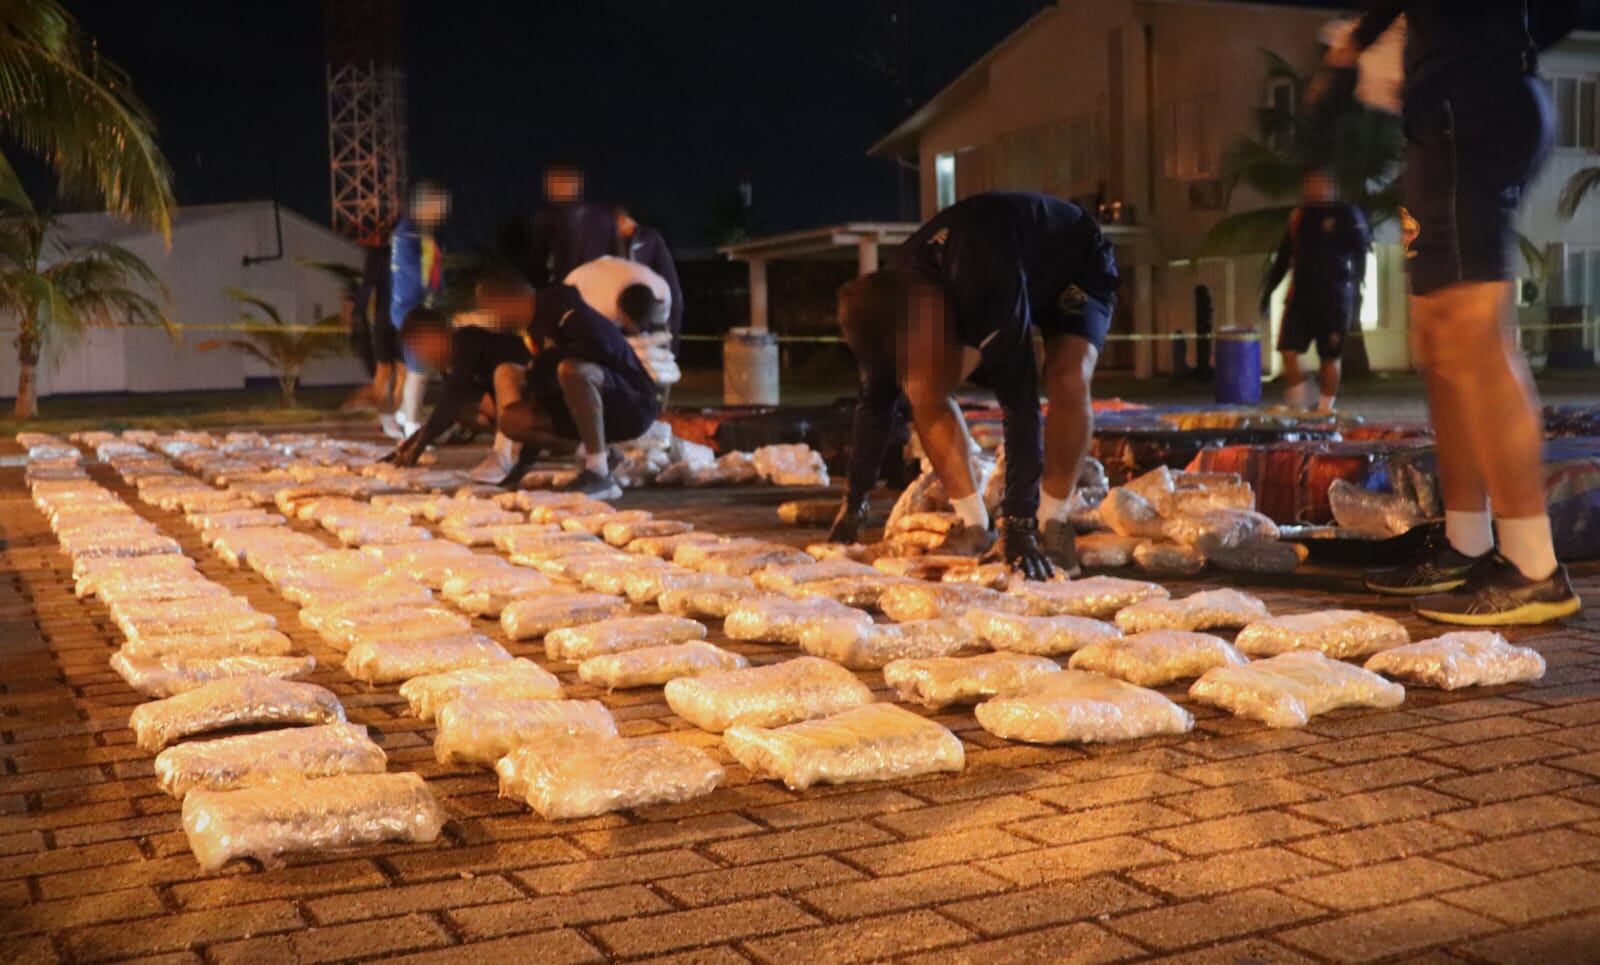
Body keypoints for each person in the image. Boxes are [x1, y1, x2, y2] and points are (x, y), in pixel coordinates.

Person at [1336, 1, 1582, 624]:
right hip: (1447, 108)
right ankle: (1466, 542)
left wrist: (1488, 47)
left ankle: (1532, 567)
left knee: (1472, 334)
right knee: (1438, 341)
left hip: (1470, 107)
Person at [830, 191, 1120, 580]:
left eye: (922, 344)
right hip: (985, 281)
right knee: (921, 387)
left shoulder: (986, 279)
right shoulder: (889, 305)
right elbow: (875, 405)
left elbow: (1020, 404)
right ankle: (974, 526)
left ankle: (1052, 522)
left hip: (1072, 263)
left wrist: (1019, 526)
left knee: (1066, 376)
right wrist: (854, 501)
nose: (922, 355)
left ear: (926, 312)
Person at [496, 276, 661, 499]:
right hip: (588, 409)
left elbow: (601, 347)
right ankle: (604, 454)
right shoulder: (533, 331)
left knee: (571, 369)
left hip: (633, 404)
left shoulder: (563, 309)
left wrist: (551, 358)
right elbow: (541, 398)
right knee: (513, 418)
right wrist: (519, 471)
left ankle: (599, 473)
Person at [1259, 169, 1371, 412]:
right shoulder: (1298, 217)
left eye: (1321, 184)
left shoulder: (1346, 215)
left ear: (1332, 187)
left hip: (1334, 299)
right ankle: (1304, 401)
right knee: (1288, 351)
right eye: (1310, 184)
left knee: (1329, 358)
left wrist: (1358, 291)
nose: (1315, 188)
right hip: (1300, 298)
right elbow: (1283, 259)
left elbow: (1361, 254)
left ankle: (1324, 408)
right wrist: (1268, 293)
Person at [385, 299, 533, 480]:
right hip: (512, 410)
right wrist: (410, 444)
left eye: (419, 346)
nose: (420, 355)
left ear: (435, 335)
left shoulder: (466, 342)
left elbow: (453, 396)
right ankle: (520, 442)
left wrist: (420, 445)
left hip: (537, 403)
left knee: (462, 400)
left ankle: (507, 455)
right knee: (459, 409)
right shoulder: (448, 364)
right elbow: (449, 406)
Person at [384, 182, 450, 441]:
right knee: (418, 370)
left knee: (423, 367)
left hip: (418, 308)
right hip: (412, 309)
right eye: (439, 206)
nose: (443, 212)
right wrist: (432, 300)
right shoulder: (409, 233)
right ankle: (412, 427)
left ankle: (403, 415)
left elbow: (434, 273)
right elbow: (416, 275)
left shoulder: (420, 234)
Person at [522, 165, 618, 288]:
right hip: (600, 291)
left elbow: (537, 262)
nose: (550, 189)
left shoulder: (546, 217)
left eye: (554, 183)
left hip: (564, 290)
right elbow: (617, 259)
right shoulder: (606, 217)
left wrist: (544, 290)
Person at [616, 204, 685, 349]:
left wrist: (674, 340)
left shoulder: (650, 238)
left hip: (649, 308)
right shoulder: (613, 243)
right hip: (623, 310)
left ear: (622, 220)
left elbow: (671, 281)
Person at [564, 255, 672, 334]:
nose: (638, 330)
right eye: (633, 324)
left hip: (612, 269)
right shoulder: (598, 310)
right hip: (575, 284)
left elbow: (662, 328)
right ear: (620, 311)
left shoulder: (661, 289)